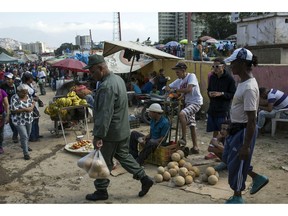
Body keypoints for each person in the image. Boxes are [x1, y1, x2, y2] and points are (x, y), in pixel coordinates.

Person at [83, 54, 153, 201]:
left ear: (101, 68)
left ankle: (101, 190)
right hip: (122, 129)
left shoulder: (106, 86)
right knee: (124, 156)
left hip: (110, 132)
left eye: (92, 71)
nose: (91, 75)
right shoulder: (118, 80)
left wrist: (98, 135)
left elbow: (105, 114)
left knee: (102, 161)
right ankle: (144, 178)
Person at [223, 48, 269, 204]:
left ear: (243, 64)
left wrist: (246, 146)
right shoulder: (242, 82)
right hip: (237, 128)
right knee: (230, 160)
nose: (231, 66)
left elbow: (252, 120)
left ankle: (238, 197)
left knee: (239, 162)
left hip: (244, 131)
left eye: (233, 63)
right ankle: (257, 178)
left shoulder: (249, 88)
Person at [165, 62, 203, 154]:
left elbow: (189, 89)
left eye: (177, 72)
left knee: (182, 114)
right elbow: (168, 87)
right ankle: (195, 147)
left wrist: (174, 90)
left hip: (195, 102)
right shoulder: (179, 81)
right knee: (192, 126)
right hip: (188, 103)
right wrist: (168, 90)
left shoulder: (191, 76)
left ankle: (183, 138)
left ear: (183, 71)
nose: (176, 74)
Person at [205, 58, 236, 160]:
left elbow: (232, 94)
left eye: (217, 66)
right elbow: (209, 89)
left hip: (223, 108)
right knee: (215, 129)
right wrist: (210, 93)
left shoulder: (229, 79)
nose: (215, 68)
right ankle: (215, 151)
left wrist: (221, 94)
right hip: (213, 107)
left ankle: (223, 151)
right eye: (213, 66)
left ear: (223, 66)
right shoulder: (212, 77)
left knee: (223, 131)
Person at [10, 84, 35, 160]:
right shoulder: (14, 97)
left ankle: (25, 145)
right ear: (18, 91)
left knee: (28, 133)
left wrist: (31, 107)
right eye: (23, 92)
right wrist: (25, 109)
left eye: (26, 92)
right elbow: (13, 110)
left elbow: (32, 103)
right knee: (24, 135)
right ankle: (26, 153)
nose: (25, 94)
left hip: (29, 119)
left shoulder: (28, 96)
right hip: (18, 120)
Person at [0, 73, 18, 143]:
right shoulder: (3, 86)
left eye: (9, 79)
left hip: (15, 106)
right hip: (7, 106)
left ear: (13, 80)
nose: (8, 80)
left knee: (16, 121)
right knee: (10, 121)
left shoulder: (15, 86)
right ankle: (15, 133)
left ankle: (15, 135)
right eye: (7, 79)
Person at [0, 87, 10, 154]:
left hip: (1, 116)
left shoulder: (2, 92)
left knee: (0, 132)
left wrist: (7, 115)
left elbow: (6, 104)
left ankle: (0, 146)